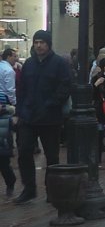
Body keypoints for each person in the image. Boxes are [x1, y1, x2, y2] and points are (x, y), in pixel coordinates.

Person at [14, 30, 72, 205]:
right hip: (29, 116)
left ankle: (51, 190)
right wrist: (19, 111)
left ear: (48, 44)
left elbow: (65, 86)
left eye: (42, 42)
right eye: (36, 42)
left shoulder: (59, 64)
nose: (39, 45)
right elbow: (21, 89)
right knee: (24, 151)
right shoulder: (29, 64)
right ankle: (29, 188)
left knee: (52, 156)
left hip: (50, 118)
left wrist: (52, 103)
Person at [0, 93, 16, 197]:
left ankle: (11, 182)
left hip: (3, 147)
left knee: (4, 167)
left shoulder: (7, 118)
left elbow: (13, 130)